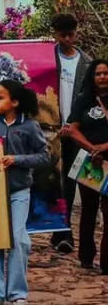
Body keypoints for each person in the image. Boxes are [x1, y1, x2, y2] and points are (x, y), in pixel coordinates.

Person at [0, 80, 50, 305]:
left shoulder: (30, 127)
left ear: (15, 102)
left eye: (0, 97)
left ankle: (17, 292)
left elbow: (44, 156)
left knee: (18, 238)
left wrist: (17, 160)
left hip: (19, 190)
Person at [60, 59, 108, 273]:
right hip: (90, 162)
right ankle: (86, 256)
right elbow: (73, 128)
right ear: (92, 76)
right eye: (98, 73)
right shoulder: (83, 100)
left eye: (106, 73)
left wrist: (104, 146)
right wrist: (91, 148)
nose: (102, 77)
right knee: (88, 210)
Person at [50, 13, 92, 254]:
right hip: (52, 130)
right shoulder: (48, 58)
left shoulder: (86, 62)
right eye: (62, 35)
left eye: (70, 35)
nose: (66, 39)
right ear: (55, 34)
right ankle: (62, 231)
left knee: (72, 180)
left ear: (77, 33)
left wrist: (74, 124)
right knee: (55, 180)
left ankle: (63, 232)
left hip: (77, 131)